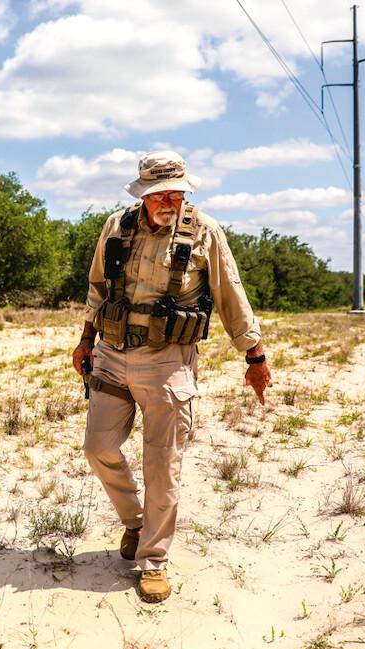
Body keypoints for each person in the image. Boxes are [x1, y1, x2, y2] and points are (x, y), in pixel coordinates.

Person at [72, 150, 271, 603]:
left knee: (163, 464)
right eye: (158, 194)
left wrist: (254, 356)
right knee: (98, 447)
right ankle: (136, 523)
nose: (168, 201)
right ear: (141, 194)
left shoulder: (206, 232)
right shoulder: (116, 226)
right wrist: (86, 339)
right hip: (112, 352)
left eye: (176, 192)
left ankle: (154, 561)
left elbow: (231, 295)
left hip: (168, 361)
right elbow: (97, 287)